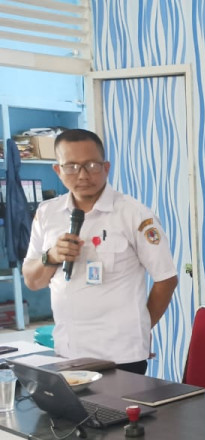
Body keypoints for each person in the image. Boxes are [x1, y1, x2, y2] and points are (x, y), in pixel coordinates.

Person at [23, 129, 178, 374]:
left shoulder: (134, 215)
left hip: (121, 355)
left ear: (106, 167)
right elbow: (32, 281)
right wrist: (51, 257)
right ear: (58, 170)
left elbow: (166, 279)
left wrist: (140, 327)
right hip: (67, 351)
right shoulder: (47, 213)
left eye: (92, 165)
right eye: (71, 166)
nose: (83, 175)